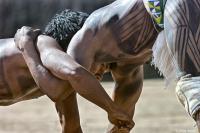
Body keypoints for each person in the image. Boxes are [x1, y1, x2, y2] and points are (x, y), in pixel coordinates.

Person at [17, 0, 200, 132]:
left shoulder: (87, 36)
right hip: (175, 12)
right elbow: (122, 123)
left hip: (177, 6)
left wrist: (26, 47)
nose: (99, 76)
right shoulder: (129, 65)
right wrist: (114, 112)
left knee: (193, 89)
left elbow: (58, 90)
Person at [1, 10, 134, 133]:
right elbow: (73, 75)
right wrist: (113, 110)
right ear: (78, 46)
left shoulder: (62, 80)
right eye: (98, 58)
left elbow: (72, 128)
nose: (104, 68)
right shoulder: (43, 44)